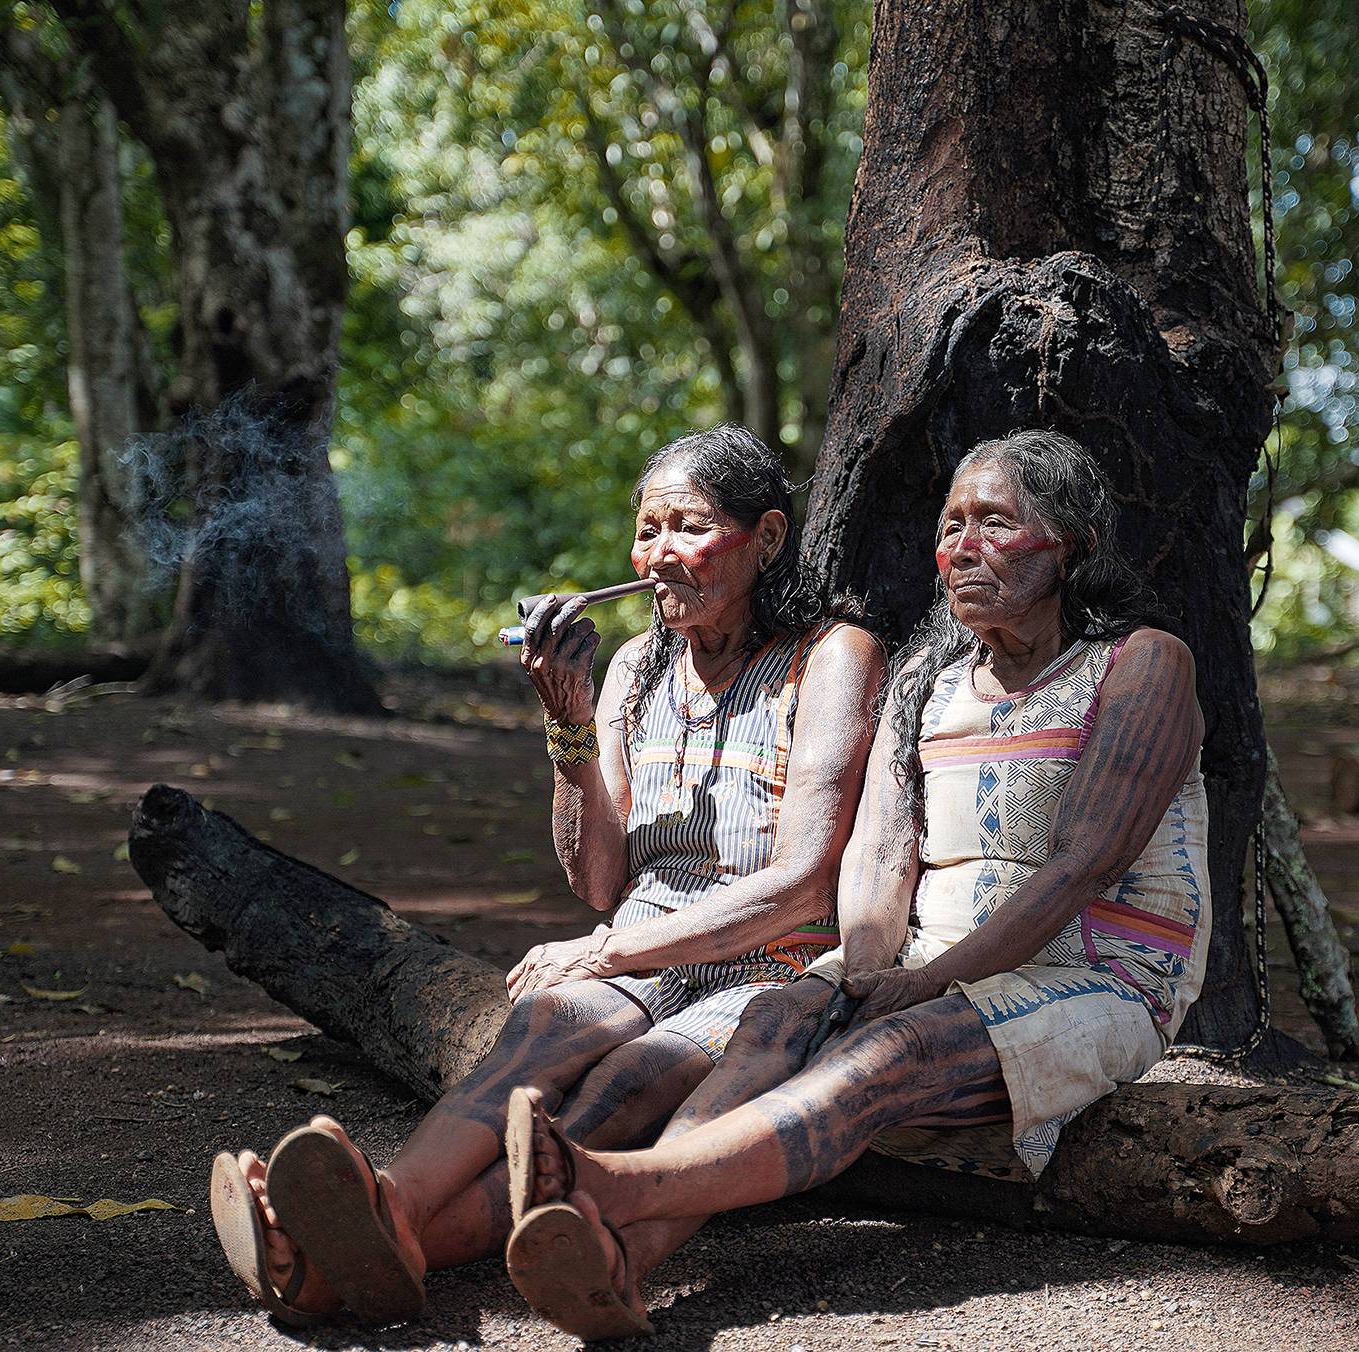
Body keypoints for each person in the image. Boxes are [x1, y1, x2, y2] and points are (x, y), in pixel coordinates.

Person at [498, 428, 1211, 1339]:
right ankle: (623, 1263)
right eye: (951, 525)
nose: (960, 548)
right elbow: (880, 859)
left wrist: (917, 988)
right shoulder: (930, 679)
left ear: (1068, 544)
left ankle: (607, 1185)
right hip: (925, 966)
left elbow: (1084, 866)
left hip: (1101, 973)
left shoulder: (1144, 663)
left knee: (886, 1056)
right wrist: (863, 972)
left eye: (995, 523)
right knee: (776, 1020)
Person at [209, 424, 885, 1325]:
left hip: (776, 960)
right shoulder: (638, 668)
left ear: (765, 538)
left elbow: (803, 884)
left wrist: (605, 954)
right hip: (645, 944)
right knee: (542, 1037)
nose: (659, 556)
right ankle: (388, 1215)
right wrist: (566, 717)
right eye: (647, 531)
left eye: (688, 528)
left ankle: (353, 1247)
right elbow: (599, 879)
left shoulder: (832, 655)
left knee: (622, 1085)